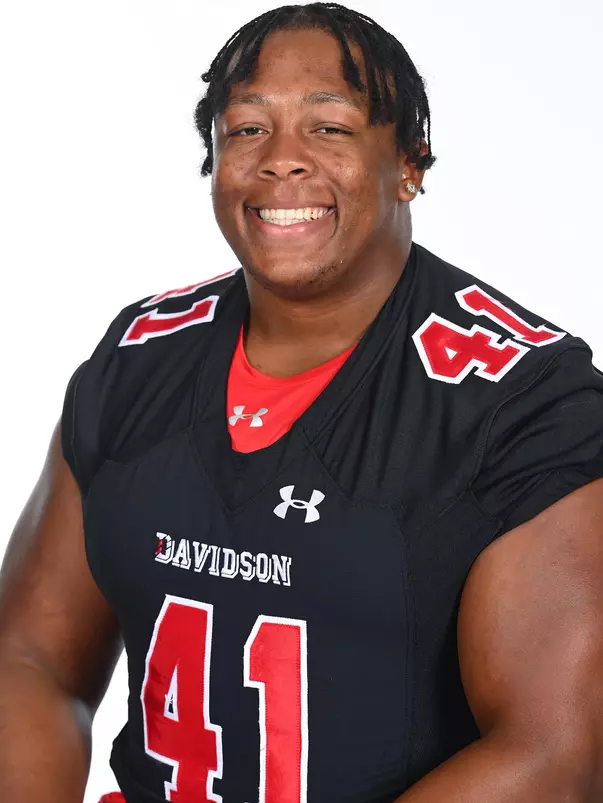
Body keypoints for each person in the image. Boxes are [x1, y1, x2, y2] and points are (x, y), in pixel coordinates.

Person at [1, 3, 603, 802]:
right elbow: (31, 658)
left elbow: (555, 754)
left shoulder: (527, 400)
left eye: (330, 128)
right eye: (246, 128)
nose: (281, 160)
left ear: (409, 164)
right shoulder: (139, 355)